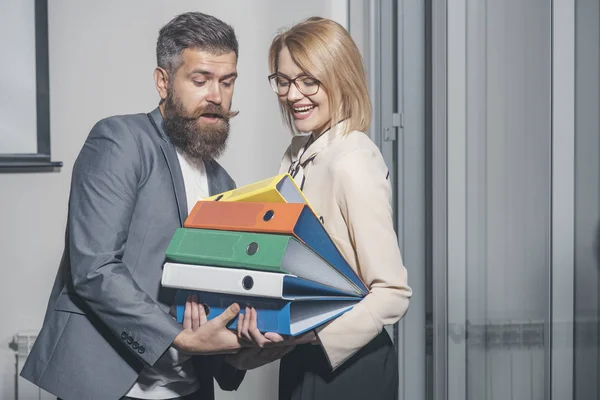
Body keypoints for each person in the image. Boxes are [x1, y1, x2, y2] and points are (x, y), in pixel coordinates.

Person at [20, 11, 281, 400]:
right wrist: (181, 338)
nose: (216, 96)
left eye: (227, 82)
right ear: (163, 82)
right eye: (200, 80)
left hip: (190, 388)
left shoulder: (224, 185)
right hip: (108, 386)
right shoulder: (120, 140)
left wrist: (238, 354)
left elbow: (215, 298)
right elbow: (94, 268)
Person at [265, 17, 413, 399]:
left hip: (349, 366)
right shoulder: (296, 154)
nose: (293, 95)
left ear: (339, 77)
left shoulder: (353, 159)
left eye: (308, 80)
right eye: (283, 81)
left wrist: (313, 334)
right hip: (300, 358)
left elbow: (392, 292)